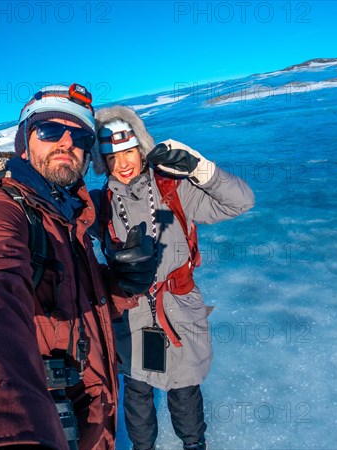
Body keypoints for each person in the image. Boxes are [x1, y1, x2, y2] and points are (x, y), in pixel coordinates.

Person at [0, 85, 154, 450]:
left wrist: (119, 285)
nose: (66, 143)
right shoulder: (4, 209)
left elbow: (71, 299)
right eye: (50, 131)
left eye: (80, 136)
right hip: (46, 415)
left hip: (86, 405)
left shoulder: (62, 209)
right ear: (24, 141)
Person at [91, 106, 255, 450]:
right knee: (137, 391)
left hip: (179, 308)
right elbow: (58, 221)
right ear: (101, 161)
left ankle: (194, 445)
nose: (123, 164)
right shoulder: (99, 204)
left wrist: (202, 170)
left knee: (184, 388)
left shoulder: (173, 190)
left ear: (141, 147)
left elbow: (240, 202)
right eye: (111, 157)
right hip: (132, 313)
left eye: (129, 152)